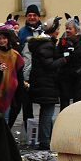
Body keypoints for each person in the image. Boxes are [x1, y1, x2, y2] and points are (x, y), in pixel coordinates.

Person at [27, 17, 65, 151]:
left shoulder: (44, 43)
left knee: (46, 111)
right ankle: (45, 141)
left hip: (43, 83)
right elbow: (49, 65)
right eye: (58, 29)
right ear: (53, 30)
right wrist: (63, 60)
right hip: (46, 84)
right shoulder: (47, 45)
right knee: (47, 112)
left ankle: (45, 139)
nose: (59, 31)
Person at [9, 5, 40, 131]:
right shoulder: (21, 33)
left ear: (38, 16)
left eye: (34, 15)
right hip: (25, 75)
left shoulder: (43, 31)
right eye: (29, 15)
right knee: (25, 106)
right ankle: (29, 134)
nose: (32, 17)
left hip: (39, 74)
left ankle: (39, 134)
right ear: (26, 17)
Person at [56, 15, 81, 109]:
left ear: (76, 30)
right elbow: (57, 56)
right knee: (64, 105)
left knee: (77, 105)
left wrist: (79, 72)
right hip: (65, 77)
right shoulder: (62, 41)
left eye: (70, 29)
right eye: (66, 28)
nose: (67, 30)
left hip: (79, 78)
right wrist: (65, 56)